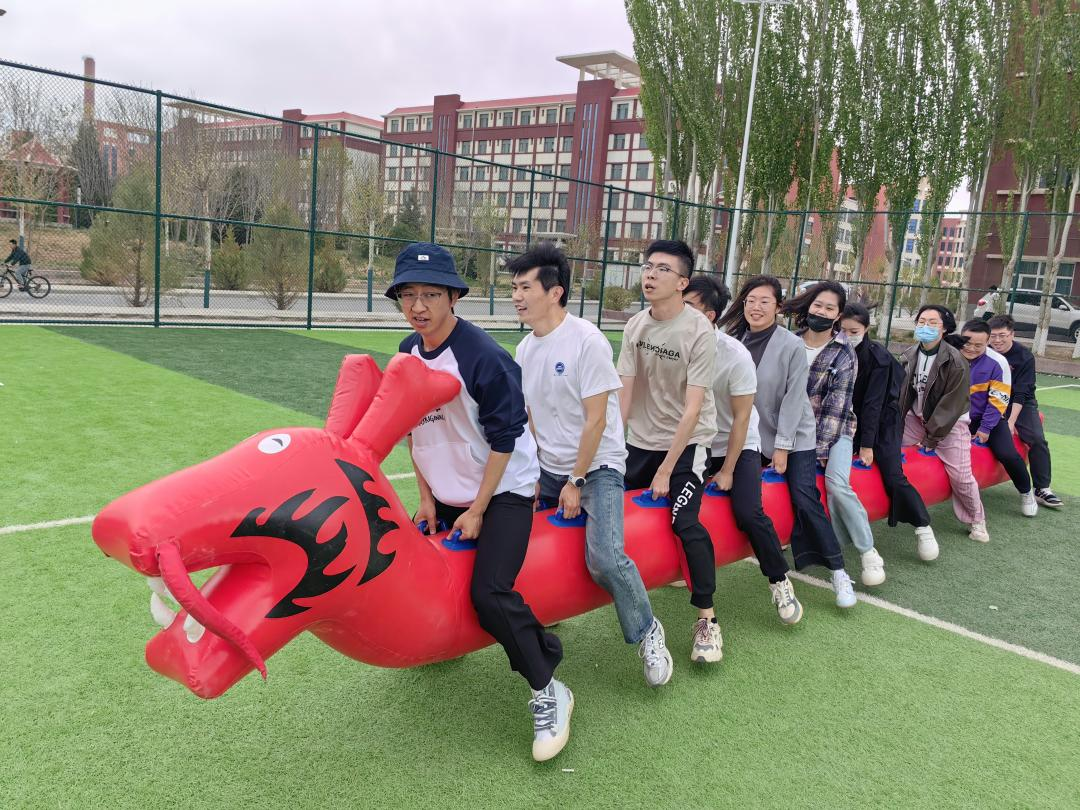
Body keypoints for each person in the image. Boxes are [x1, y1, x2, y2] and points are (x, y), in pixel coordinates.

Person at [389, 242, 571, 762]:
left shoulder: (484, 357)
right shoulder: (406, 353)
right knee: (417, 571)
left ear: (454, 297)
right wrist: (427, 499)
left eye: (431, 294)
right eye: (408, 295)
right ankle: (531, 643)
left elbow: (505, 440)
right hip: (448, 493)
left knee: (490, 593)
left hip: (504, 489)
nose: (418, 306)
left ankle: (548, 687)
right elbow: (413, 431)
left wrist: (476, 510)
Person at [510, 242, 672, 687]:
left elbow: (597, 419)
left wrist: (575, 480)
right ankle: (545, 616)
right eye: (514, 288)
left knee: (605, 559)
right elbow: (527, 417)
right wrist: (534, 474)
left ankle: (648, 632)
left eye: (525, 287)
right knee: (521, 547)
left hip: (597, 467)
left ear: (555, 292)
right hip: (547, 469)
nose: (517, 296)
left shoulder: (587, 340)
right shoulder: (524, 350)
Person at [717, 275, 857, 608]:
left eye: (764, 301)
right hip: (748, 434)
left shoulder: (791, 344)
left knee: (804, 497)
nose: (756, 307)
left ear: (778, 307)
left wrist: (782, 447)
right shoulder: (732, 339)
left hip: (794, 435)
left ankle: (838, 571)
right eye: (750, 300)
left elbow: (795, 399)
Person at [616, 239, 724, 664]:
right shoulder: (635, 326)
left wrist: (665, 469)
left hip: (688, 443)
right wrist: (612, 447)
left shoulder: (698, 330)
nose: (651, 274)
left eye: (663, 269)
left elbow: (693, 408)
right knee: (606, 513)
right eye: (648, 266)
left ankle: (707, 620)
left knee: (685, 522)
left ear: (682, 282)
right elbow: (624, 393)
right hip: (640, 441)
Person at [682, 274, 803, 624]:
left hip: (738, 443)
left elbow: (741, 420)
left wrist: (727, 470)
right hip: (697, 441)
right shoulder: (673, 345)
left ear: (708, 316)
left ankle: (779, 579)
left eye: (687, 307)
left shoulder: (734, 355)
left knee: (748, 512)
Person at [782, 282, 885, 587]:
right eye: (817, 305)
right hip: (787, 428)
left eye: (829, 308)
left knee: (836, 484)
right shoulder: (790, 342)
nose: (821, 312)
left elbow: (835, 409)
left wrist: (818, 451)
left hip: (833, 431)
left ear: (838, 315)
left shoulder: (844, 352)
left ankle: (867, 551)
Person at [839, 303, 939, 561]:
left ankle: (922, 526)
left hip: (883, 421)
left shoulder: (879, 359)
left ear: (866, 329)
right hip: (844, 419)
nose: (847, 336)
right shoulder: (835, 350)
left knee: (893, 475)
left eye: (853, 331)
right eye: (842, 330)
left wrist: (867, 445)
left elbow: (873, 405)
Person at [899, 304, 989, 542]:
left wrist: (931, 439)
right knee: (889, 451)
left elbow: (950, 407)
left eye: (932, 323)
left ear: (945, 329)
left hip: (950, 425)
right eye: (921, 322)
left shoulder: (956, 361)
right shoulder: (910, 354)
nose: (925, 326)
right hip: (916, 418)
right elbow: (903, 394)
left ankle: (977, 519)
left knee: (960, 475)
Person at [959, 318, 1037, 516]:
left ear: (987, 342)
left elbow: (998, 400)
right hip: (954, 418)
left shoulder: (998, 362)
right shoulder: (950, 356)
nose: (972, 348)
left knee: (1007, 454)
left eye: (979, 345)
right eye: (967, 343)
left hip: (986, 418)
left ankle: (1026, 491)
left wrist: (985, 428)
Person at [987, 314, 1064, 509]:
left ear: (1012, 334)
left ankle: (1042, 488)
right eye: (993, 336)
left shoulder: (1024, 356)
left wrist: (1011, 421)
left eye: (1002, 335)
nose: (997, 340)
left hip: (1019, 402)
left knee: (1036, 438)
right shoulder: (984, 352)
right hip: (991, 399)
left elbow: (1022, 392)